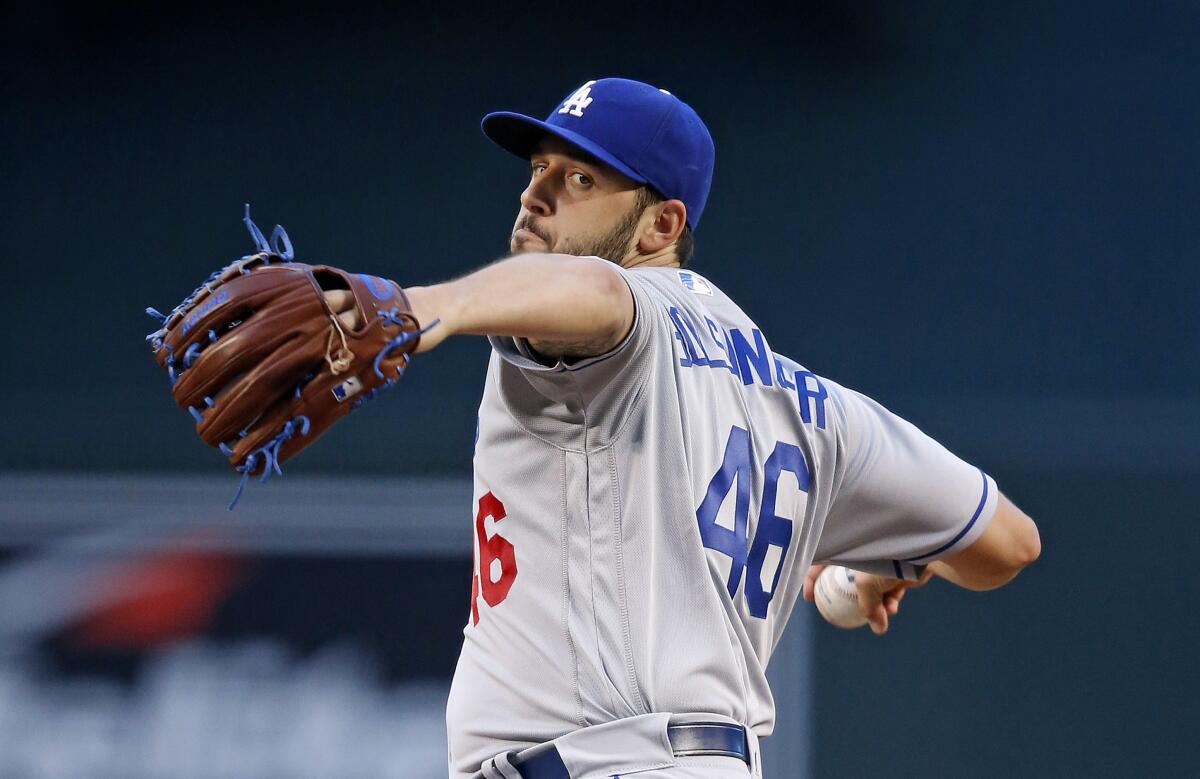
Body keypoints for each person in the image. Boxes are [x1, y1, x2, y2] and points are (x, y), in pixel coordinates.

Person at [328, 77, 1041, 779]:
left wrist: (414, 306)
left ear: (660, 225)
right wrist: (880, 563)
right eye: (537, 167)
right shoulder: (815, 404)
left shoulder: (616, 315)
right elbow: (1009, 541)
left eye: (579, 178)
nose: (534, 195)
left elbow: (601, 292)